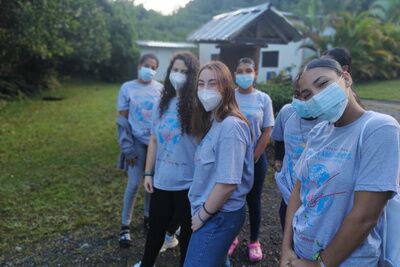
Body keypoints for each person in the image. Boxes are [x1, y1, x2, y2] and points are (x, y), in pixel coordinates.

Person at [280, 58, 399, 267]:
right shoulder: (318, 131)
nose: (317, 96)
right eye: (307, 95)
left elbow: (366, 216)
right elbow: (298, 193)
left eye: (323, 84)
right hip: (300, 252)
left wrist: (319, 265)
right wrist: (286, 249)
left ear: (346, 77)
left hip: (347, 261)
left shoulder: (378, 128)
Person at [183, 61, 254, 267]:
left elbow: (227, 184)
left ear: (226, 87)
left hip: (217, 215)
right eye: (201, 84)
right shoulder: (216, 121)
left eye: (212, 83)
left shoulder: (231, 126)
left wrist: (202, 216)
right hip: (213, 212)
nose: (205, 90)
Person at [133, 51, 199, 267]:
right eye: (175, 70)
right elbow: (153, 139)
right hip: (161, 181)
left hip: (188, 184)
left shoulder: (197, 106)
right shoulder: (162, 102)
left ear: (192, 76)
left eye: (184, 71)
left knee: (187, 237)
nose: (178, 75)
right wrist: (148, 172)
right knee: (155, 230)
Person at [227, 57, 274, 262]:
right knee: (231, 200)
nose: (244, 74)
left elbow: (267, 131)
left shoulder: (263, 99)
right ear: (235, 74)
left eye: (248, 70)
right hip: (231, 159)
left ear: (255, 73)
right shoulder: (228, 97)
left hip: (255, 159)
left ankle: (254, 241)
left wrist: (254, 157)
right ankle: (231, 238)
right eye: (240, 71)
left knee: (253, 201)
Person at [117, 53, 163, 247]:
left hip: (155, 143)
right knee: (134, 182)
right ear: (139, 66)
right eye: (147, 65)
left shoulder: (160, 88)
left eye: (153, 67)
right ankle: (124, 227)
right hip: (135, 142)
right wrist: (126, 147)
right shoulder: (127, 88)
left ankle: (147, 217)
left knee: (150, 182)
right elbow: (122, 120)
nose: (149, 70)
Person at [271, 88, 323, 231]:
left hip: (316, 187)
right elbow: (279, 138)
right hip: (291, 183)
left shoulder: (328, 119)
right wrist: (278, 159)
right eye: (296, 95)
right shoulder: (287, 112)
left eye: (306, 95)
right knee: (286, 216)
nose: (300, 100)